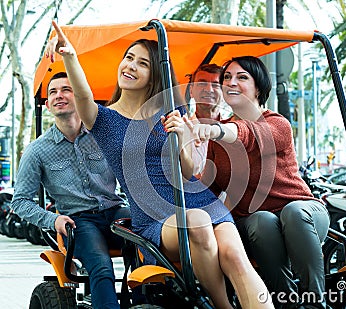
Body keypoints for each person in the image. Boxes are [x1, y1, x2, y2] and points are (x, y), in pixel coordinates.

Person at [45, 21, 274, 309]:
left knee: (235, 257)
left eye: (142, 63)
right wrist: (70, 57)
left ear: (154, 74)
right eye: (129, 58)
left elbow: (189, 171)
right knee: (197, 223)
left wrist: (182, 138)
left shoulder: (172, 111)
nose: (131, 66)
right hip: (154, 215)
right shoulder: (101, 119)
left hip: (198, 198)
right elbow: (82, 95)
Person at [190, 56, 330, 309]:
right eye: (227, 78)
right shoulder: (217, 136)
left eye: (242, 77)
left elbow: (247, 135)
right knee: (262, 220)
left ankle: (314, 302)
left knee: (294, 212)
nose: (231, 83)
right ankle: (285, 303)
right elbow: (207, 190)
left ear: (259, 87)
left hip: (304, 214)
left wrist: (218, 130)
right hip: (257, 225)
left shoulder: (277, 124)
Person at [11, 72, 131, 309]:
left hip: (115, 211)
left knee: (150, 243)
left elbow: (131, 175)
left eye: (66, 89)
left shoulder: (104, 136)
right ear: (47, 105)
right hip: (78, 221)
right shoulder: (37, 151)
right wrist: (53, 220)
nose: (59, 96)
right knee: (100, 265)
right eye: (53, 92)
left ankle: (143, 303)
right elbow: (20, 201)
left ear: (81, 96)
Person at [188, 63, 224, 176]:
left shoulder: (234, 130)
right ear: (191, 91)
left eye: (216, 85)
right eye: (202, 83)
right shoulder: (180, 130)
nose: (209, 89)